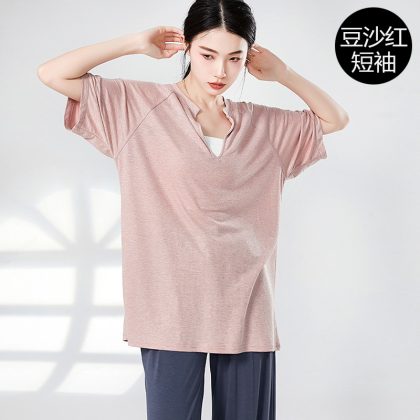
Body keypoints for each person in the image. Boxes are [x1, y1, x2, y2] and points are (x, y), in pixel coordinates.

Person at [37, 1, 349, 418]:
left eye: (234, 58)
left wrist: (284, 74)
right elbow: (52, 73)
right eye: (208, 55)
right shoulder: (137, 107)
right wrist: (134, 43)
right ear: (187, 47)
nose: (220, 71)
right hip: (168, 307)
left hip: (247, 307)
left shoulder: (265, 126)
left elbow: (335, 119)